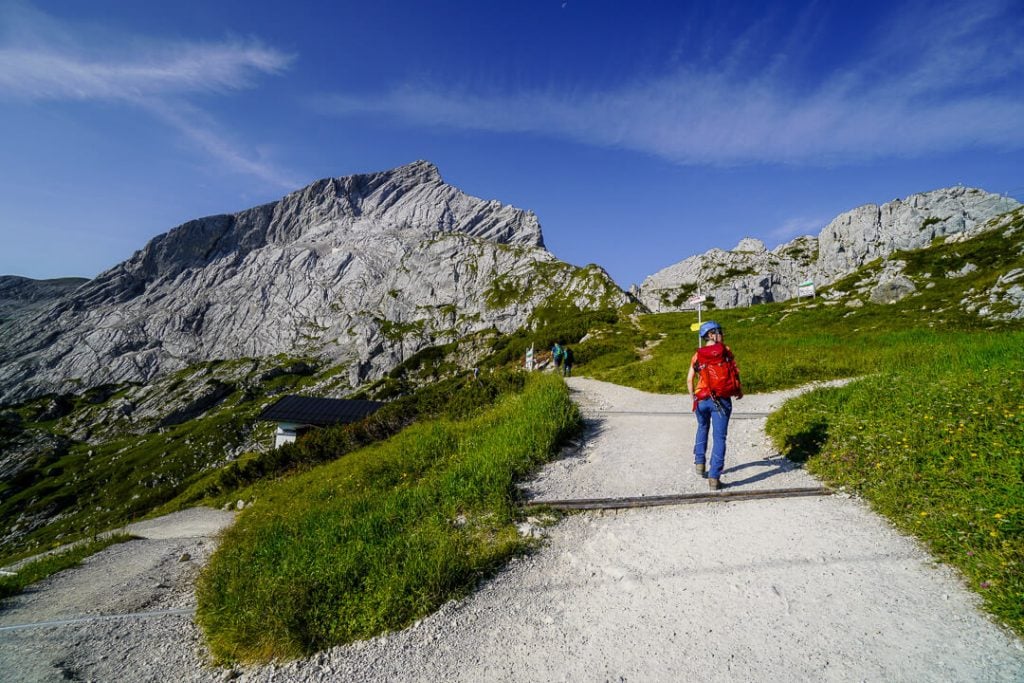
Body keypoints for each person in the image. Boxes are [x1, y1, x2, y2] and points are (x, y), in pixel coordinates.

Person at [686, 321, 743, 490]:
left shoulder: (697, 355)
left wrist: (693, 399)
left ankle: (699, 464)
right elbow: (734, 371)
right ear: (711, 334)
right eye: (720, 331)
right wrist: (738, 390)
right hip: (721, 400)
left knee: (702, 427)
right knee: (719, 437)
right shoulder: (726, 351)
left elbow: (689, 380)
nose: (722, 334)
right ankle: (714, 478)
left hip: (701, 399)